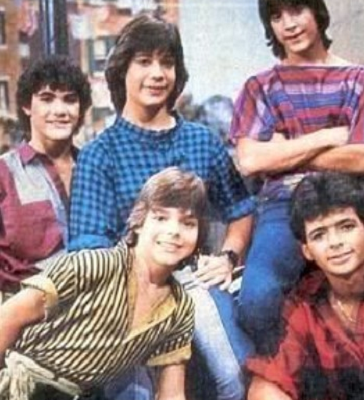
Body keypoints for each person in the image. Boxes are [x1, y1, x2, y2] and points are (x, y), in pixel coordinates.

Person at [69, 12, 255, 400]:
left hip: (195, 281)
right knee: (133, 393)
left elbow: (240, 209)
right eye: (144, 61)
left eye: (166, 63)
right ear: (122, 70)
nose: (157, 74)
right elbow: (87, 246)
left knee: (237, 376)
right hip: (126, 289)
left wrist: (227, 256)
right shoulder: (98, 154)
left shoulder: (202, 141)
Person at [229, 0, 364, 352]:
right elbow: (251, 160)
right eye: (276, 16)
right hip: (282, 208)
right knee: (257, 300)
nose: (288, 24)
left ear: (317, 11)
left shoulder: (360, 79)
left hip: (346, 202)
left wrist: (283, 152)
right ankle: (293, 369)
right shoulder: (259, 87)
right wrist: (328, 137)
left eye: (296, 10)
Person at [0, 167, 207, 400]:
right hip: (17, 384)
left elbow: (172, 394)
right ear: (139, 222)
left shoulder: (180, 308)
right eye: (161, 218)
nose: (174, 231)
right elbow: (8, 317)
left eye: (188, 223)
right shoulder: (94, 265)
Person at [247, 171, 364, 400]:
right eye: (319, 235)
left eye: (346, 227)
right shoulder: (304, 305)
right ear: (307, 251)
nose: (335, 243)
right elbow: (264, 385)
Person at [0, 56, 91, 298]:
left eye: (70, 99)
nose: (59, 111)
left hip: (99, 304)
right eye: (47, 99)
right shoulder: (4, 173)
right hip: (26, 307)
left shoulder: (95, 168)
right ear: (27, 106)